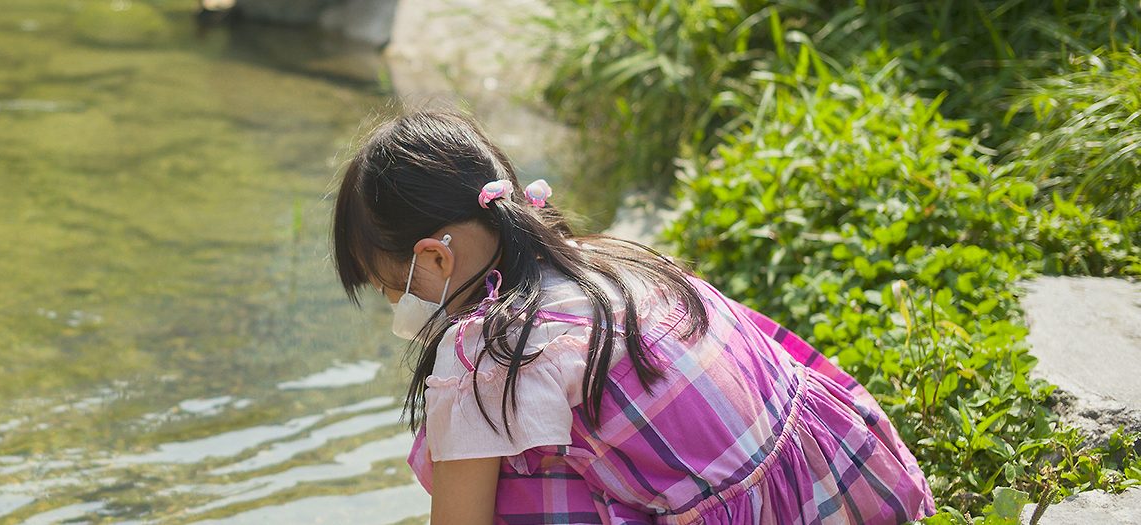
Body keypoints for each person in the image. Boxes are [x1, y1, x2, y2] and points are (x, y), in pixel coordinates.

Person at [328, 111, 936, 524]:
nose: (394, 305)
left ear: (433, 256)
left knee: (500, 455)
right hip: (830, 492)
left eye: (390, 286)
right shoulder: (608, 265)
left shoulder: (483, 353)